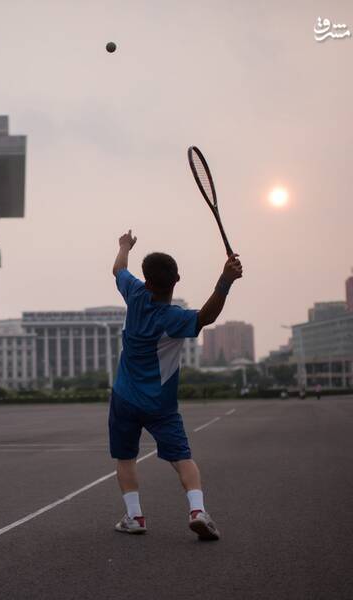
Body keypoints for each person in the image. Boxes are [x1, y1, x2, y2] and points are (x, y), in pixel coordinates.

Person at [109, 229, 243, 541]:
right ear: (177, 279)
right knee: (182, 457)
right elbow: (207, 317)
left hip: (125, 398)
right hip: (160, 404)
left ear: (146, 280)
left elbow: (118, 269)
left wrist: (124, 246)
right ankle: (197, 511)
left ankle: (135, 516)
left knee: (126, 457)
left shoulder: (134, 294)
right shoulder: (174, 318)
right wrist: (225, 281)